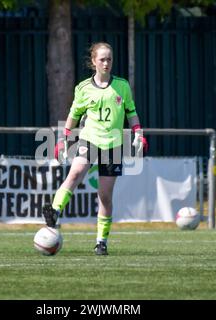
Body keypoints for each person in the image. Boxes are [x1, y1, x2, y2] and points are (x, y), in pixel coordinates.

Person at [42, 42, 148, 255]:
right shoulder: (83, 88)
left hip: (113, 145)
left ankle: (101, 242)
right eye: (102, 59)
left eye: (109, 59)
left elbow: (131, 112)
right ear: (93, 62)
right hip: (89, 140)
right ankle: (54, 211)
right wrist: (63, 140)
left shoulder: (122, 86)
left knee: (105, 196)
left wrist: (138, 132)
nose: (106, 63)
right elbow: (74, 115)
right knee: (76, 173)